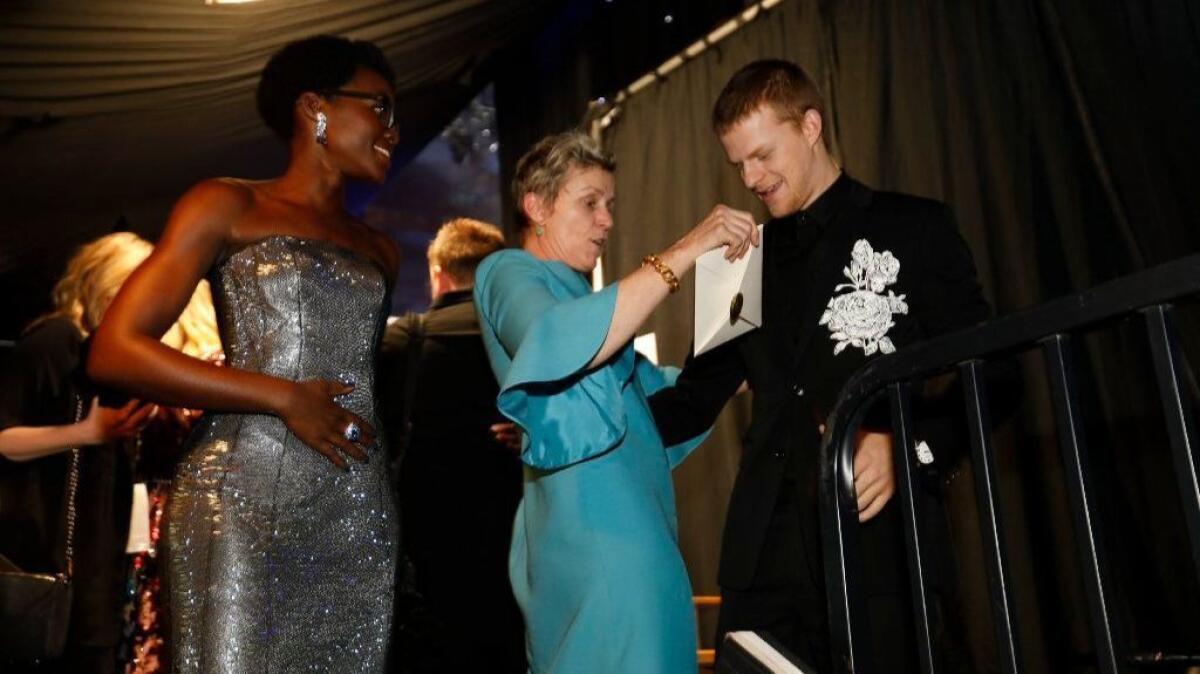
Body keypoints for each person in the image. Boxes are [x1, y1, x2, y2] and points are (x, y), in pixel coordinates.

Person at [648, 59, 993, 672]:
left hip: (881, 555)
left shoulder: (914, 228)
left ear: (810, 125)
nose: (750, 178)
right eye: (738, 165)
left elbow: (992, 372)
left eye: (762, 155)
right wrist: (579, 420)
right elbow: (694, 400)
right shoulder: (739, 263)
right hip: (762, 571)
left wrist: (907, 446)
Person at [86, 35, 401, 672]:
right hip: (242, 503)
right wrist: (281, 396)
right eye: (381, 108)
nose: (393, 128)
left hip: (356, 512)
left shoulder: (381, 249)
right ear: (315, 107)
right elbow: (114, 350)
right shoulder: (227, 203)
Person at [473, 130, 758, 674]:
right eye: (589, 203)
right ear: (536, 205)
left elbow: (669, 394)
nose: (607, 220)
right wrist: (687, 248)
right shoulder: (509, 270)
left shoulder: (591, 304)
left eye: (610, 205)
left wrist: (755, 359)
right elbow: (552, 336)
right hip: (599, 529)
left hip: (632, 518)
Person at [0, 231, 208, 674]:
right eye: (129, 291)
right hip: (50, 561)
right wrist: (85, 433)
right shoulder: (56, 341)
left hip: (99, 567)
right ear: (104, 285)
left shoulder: (112, 356)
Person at [379, 217, 525, 674]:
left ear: (438, 273)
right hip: (514, 541)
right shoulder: (525, 339)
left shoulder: (402, 340)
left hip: (429, 547)